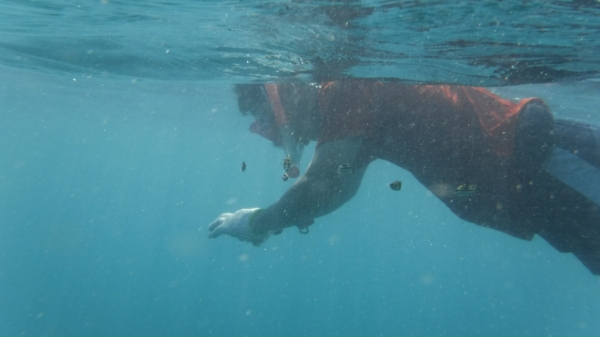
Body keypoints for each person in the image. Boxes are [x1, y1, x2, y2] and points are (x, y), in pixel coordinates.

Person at [207, 80, 600, 275]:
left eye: (266, 120)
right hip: (531, 192)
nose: (275, 135)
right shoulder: (350, 129)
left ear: (286, 95)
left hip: (540, 162)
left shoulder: (343, 91)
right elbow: (334, 188)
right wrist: (275, 218)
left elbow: (319, 187)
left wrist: (258, 221)